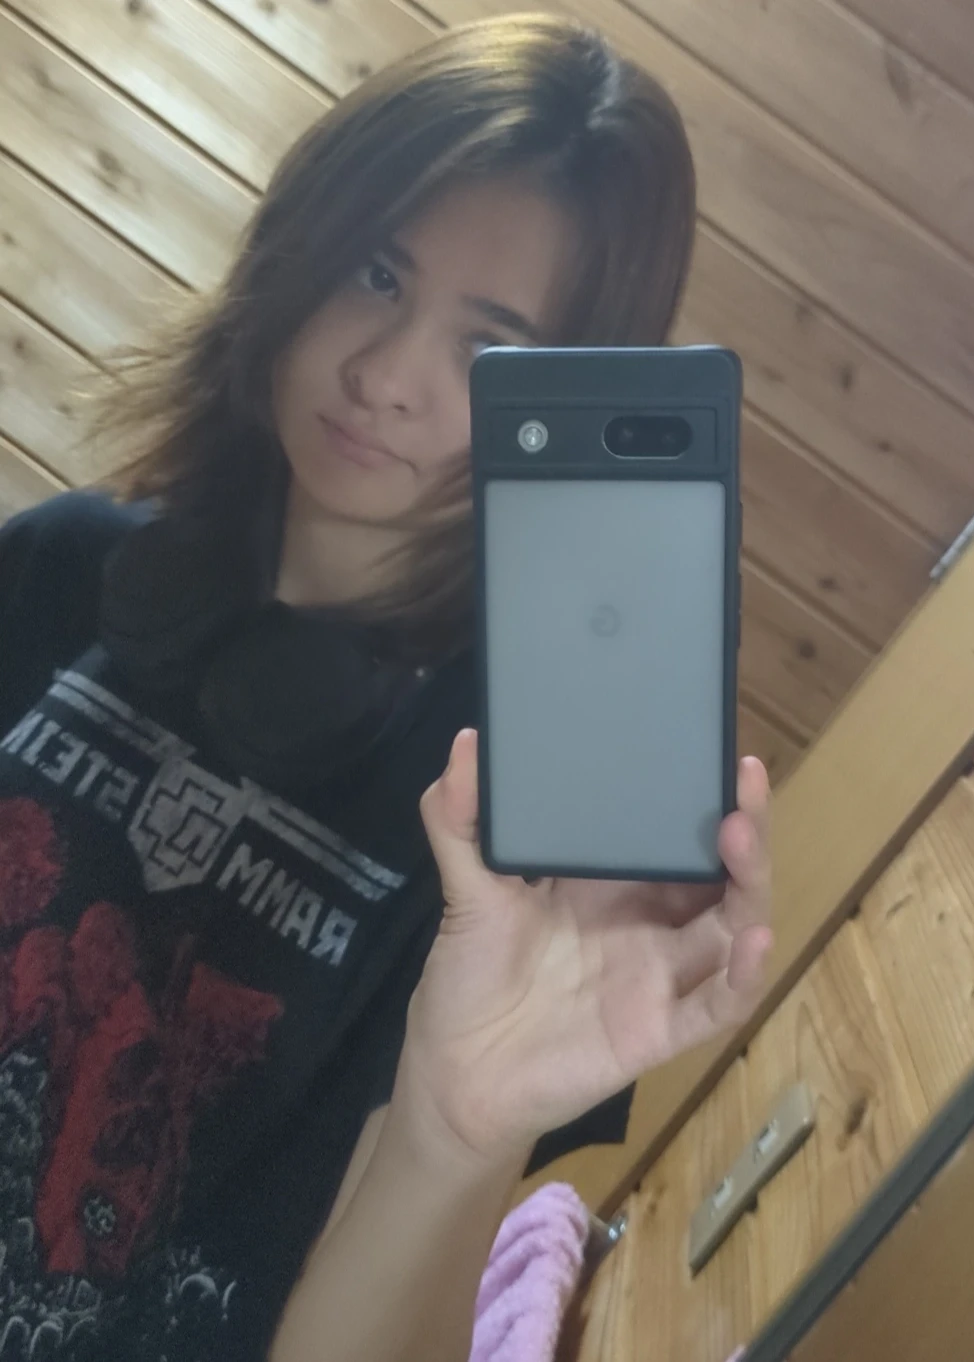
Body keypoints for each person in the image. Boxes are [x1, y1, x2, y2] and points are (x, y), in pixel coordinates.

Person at [0, 13, 772, 1361]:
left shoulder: (511, 829)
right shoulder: (62, 565)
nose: (386, 377)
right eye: (376, 272)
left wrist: (453, 1137)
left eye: (487, 347)